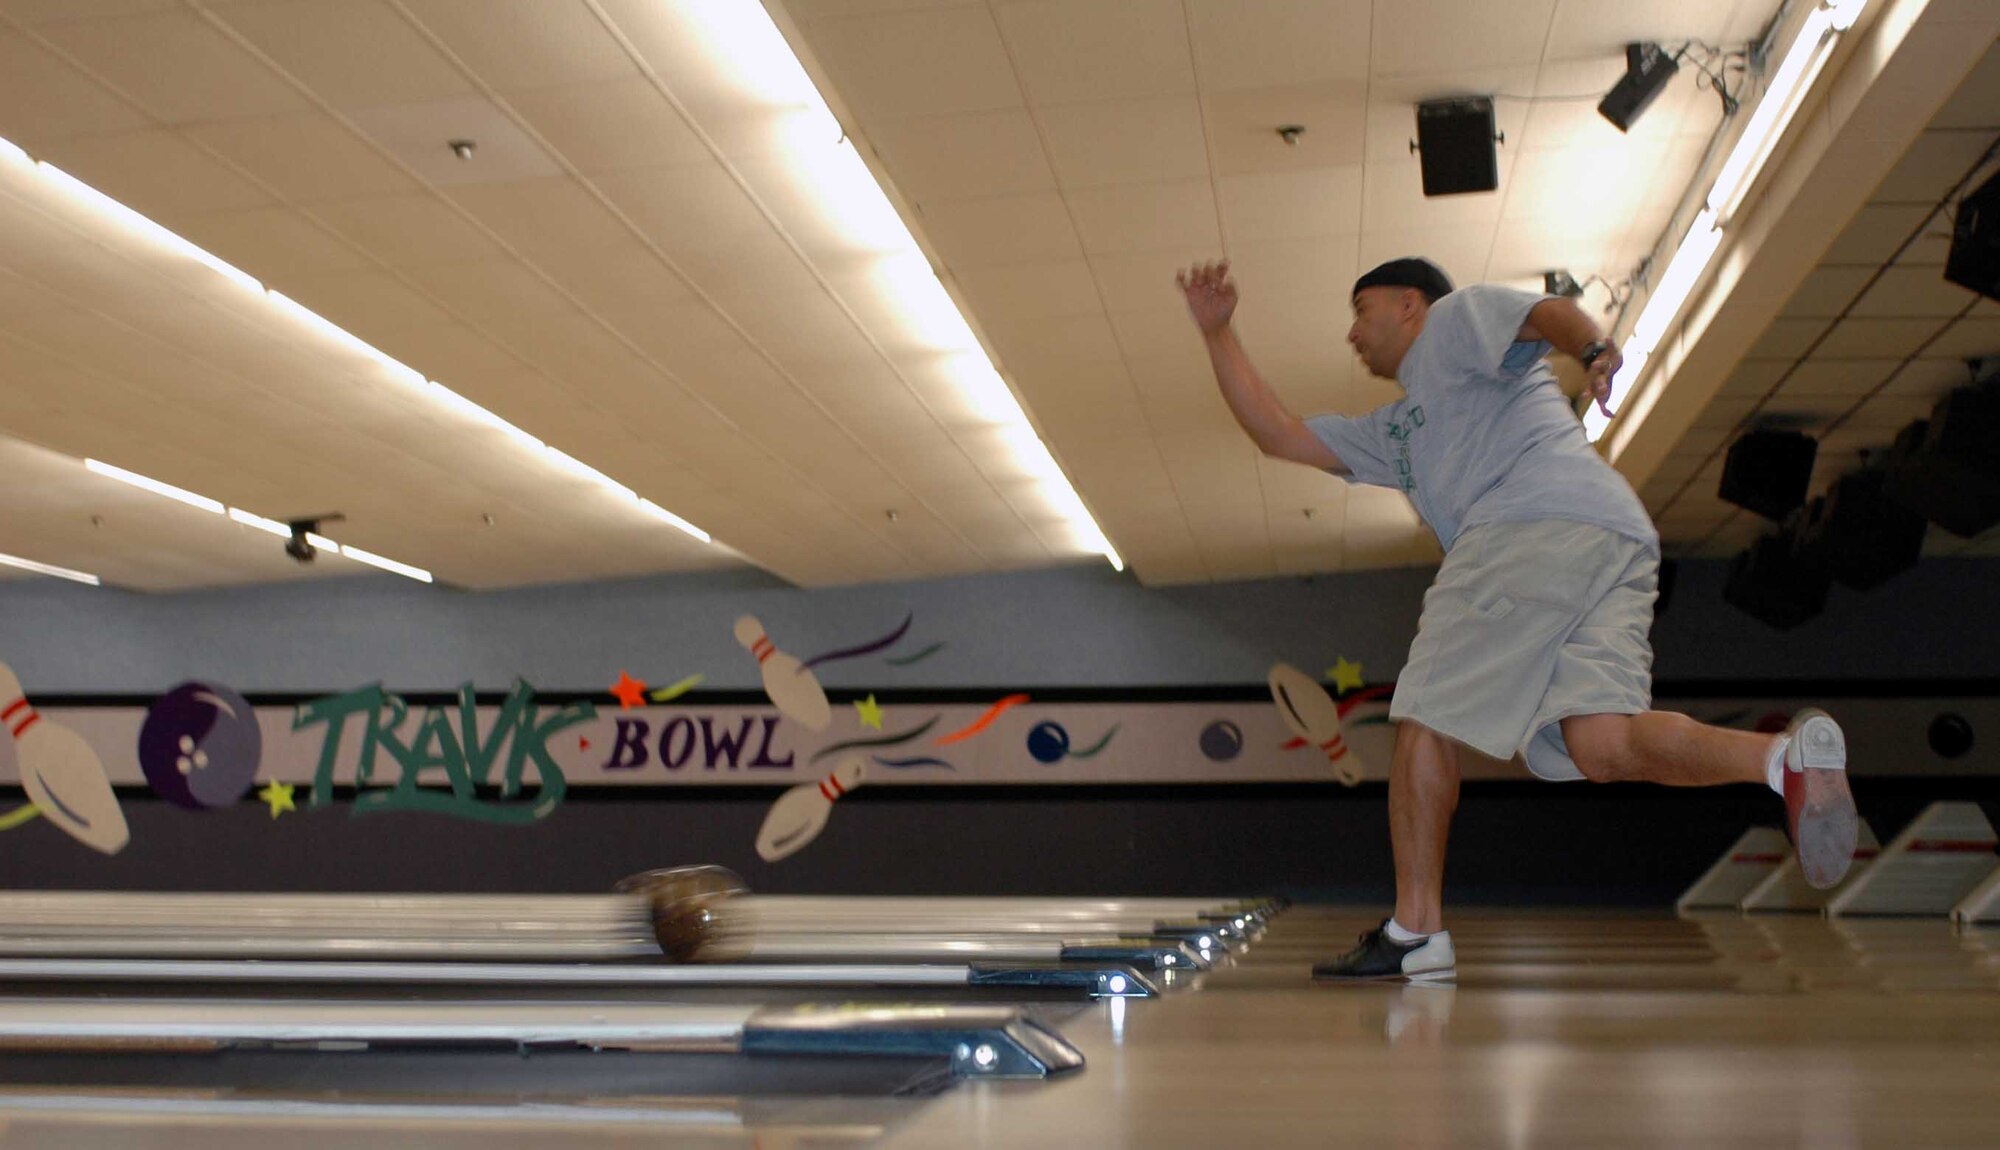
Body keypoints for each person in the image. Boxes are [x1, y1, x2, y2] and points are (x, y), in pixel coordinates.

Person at [1177, 256, 1858, 982]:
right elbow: (1277, 434)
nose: (1352, 332)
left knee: (1425, 715)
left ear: (1410, 304)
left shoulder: (1451, 323)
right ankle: (1784, 761)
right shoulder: (1398, 431)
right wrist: (1219, 333)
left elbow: (1543, 315)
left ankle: (1416, 932)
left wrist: (1594, 351)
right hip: (1612, 538)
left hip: (1524, 526)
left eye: (1361, 308)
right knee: (1602, 744)